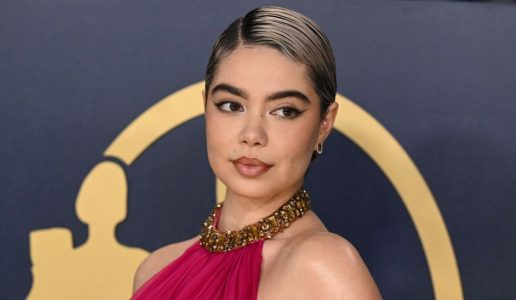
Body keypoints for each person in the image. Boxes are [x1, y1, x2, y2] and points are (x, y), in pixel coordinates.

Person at [132, 6, 381, 299]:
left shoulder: (326, 269)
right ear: (205, 107)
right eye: (231, 105)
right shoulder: (155, 269)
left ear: (324, 123)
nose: (252, 135)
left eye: (284, 111)